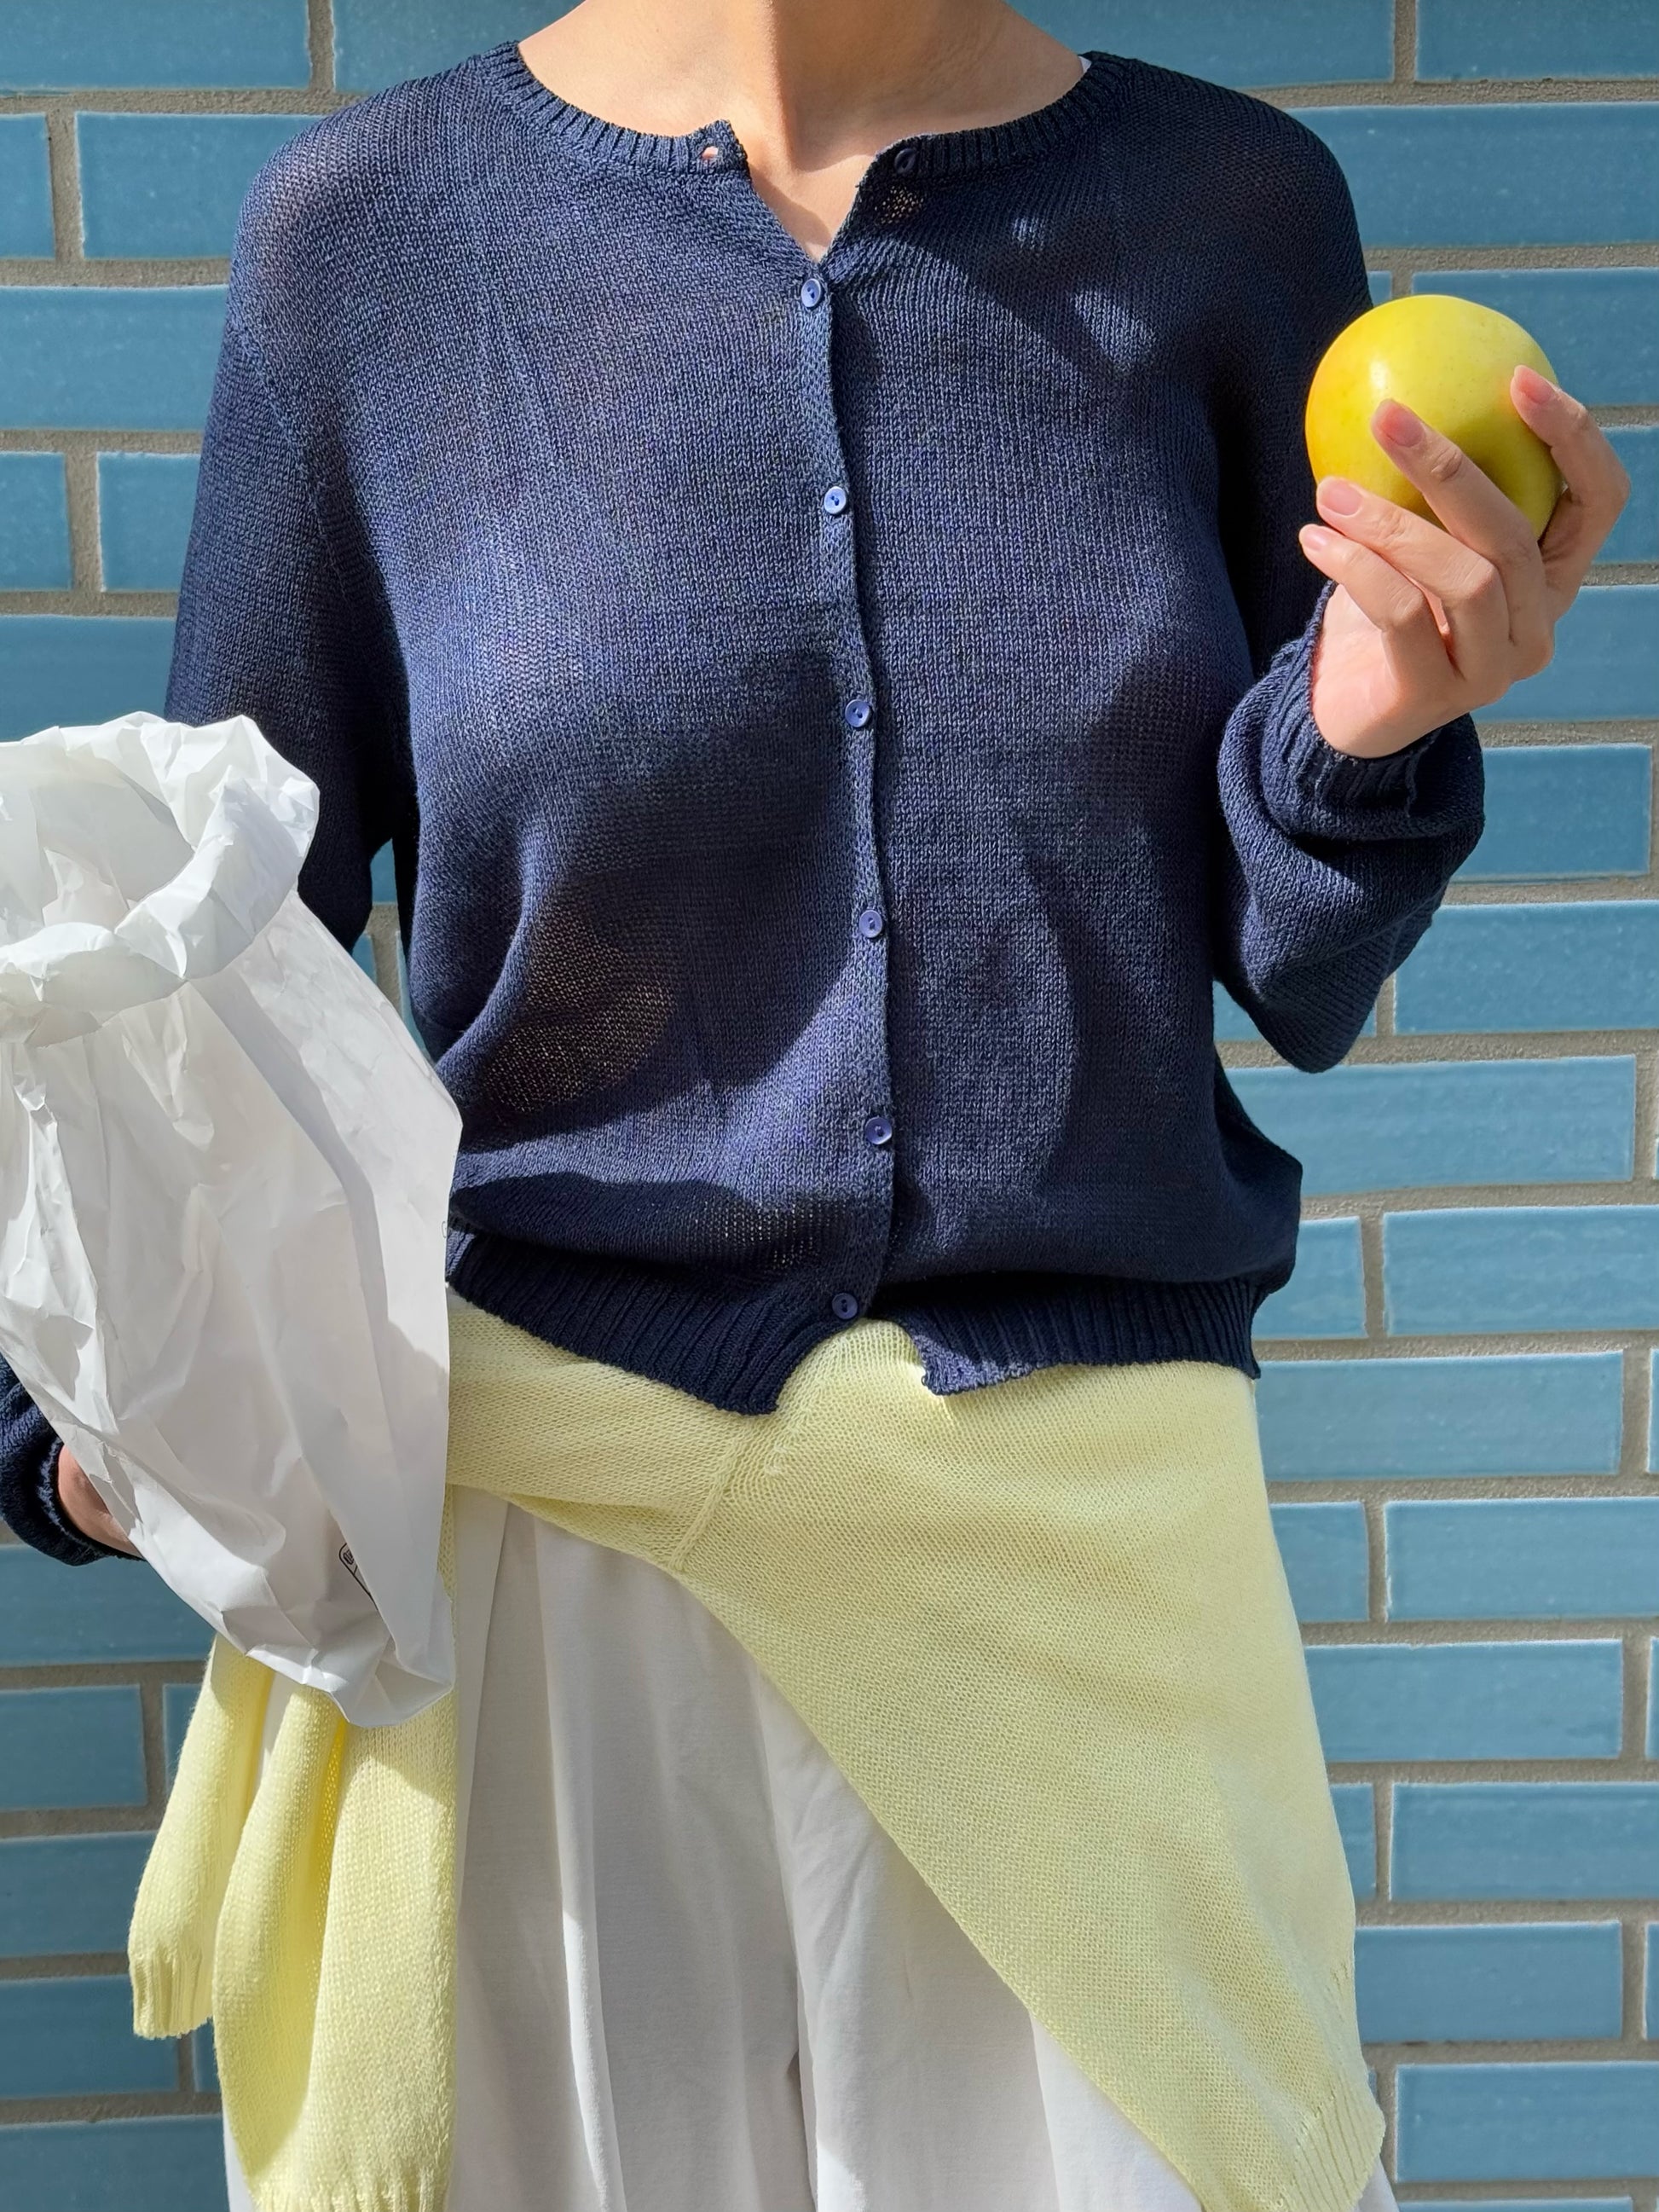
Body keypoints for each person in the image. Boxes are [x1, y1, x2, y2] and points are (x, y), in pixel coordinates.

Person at [0, 3, 1628, 2207]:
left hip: (1078, 1546)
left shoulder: (1230, 217)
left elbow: (1295, 964)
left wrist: (1368, 724)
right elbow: (215, 936)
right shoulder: (374, 241)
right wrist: (82, 1417)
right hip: (551, 1573)